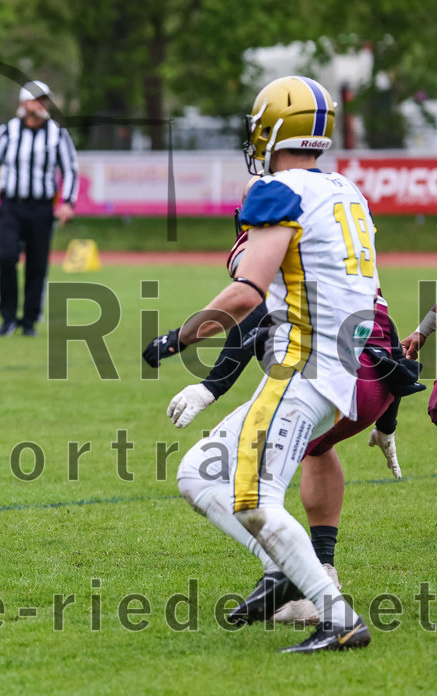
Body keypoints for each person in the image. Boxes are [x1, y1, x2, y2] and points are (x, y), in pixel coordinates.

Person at [143, 76, 378, 653]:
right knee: (198, 474)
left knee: (252, 500)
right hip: (335, 365)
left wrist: (179, 336)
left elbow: (248, 291)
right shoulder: (347, 191)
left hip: (303, 362)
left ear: (273, 128)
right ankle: (296, 575)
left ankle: (338, 617)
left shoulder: (277, 189)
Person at [163, 177, 424, 625]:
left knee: (212, 477)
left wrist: (210, 387)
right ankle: (319, 577)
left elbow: (256, 305)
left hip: (330, 380)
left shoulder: (278, 234)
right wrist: (387, 420)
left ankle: (302, 585)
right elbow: (383, 331)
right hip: (369, 385)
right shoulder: (342, 238)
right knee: (315, 447)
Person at [0, 80, 79, 337]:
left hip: (41, 207)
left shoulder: (57, 134)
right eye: (36, 100)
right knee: (6, 257)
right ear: (23, 104)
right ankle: (8, 318)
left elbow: (70, 168)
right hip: (12, 206)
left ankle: (29, 321)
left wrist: (68, 203)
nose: (41, 105)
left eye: (44, 100)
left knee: (37, 264)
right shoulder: (7, 132)